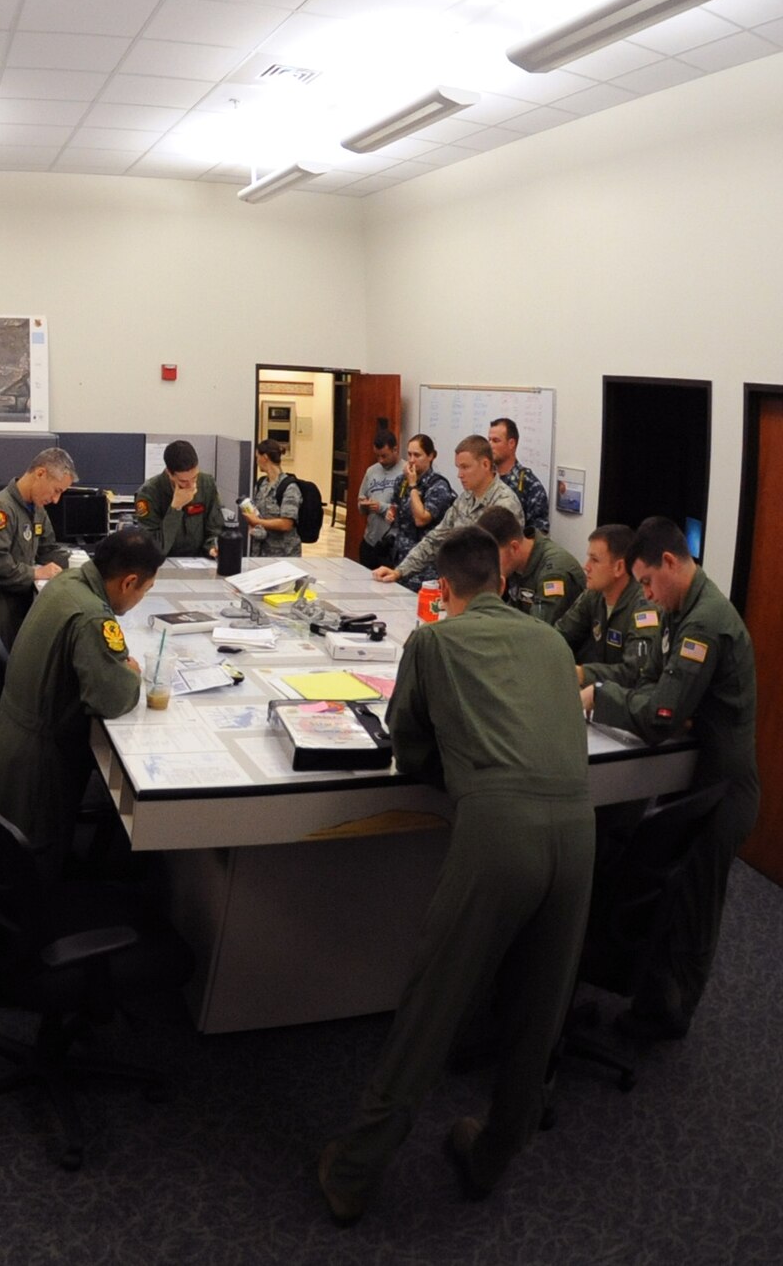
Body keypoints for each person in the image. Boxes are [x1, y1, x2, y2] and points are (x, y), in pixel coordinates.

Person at [320, 527, 593, 1225]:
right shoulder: (555, 643)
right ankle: (494, 1152)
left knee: (434, 1004)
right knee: (540, 1010)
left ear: (441, 592)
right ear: (503, 579)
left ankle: (352, 1172)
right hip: (578, 830)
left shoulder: (434, 643)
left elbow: (410, 750)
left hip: (498, 832)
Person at [584, 516, 759, 1041]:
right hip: (696, 776)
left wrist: (606, 700)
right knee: (670, 897)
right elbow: (657, 688)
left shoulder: (703, 621)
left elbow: (662, 714)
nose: (645, 594)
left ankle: (667, 1019)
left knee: (693, 910)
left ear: (669, 562)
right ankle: (653, 1001)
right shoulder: (683, 607)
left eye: (646, 582)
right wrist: (646, 700)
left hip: (723, 790)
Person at [0, 528, 161, 883]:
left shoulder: (67, 583)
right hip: (39, 764)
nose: (142, 598)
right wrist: (130, 674)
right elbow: (111, 699)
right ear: (128, 582)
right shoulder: (93, 616)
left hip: (11, 737)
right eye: (146, 589)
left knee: (13, 856)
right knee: (31, 870)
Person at [0, 447, 74, 667]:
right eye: (56, 490)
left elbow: (48, 549)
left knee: (11, 677)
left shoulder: (36, 509)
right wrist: (36, 572)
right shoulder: (0, 509)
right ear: (40, 473)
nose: (56, 499)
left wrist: (84, 565)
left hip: (16, 603)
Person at [375, 436, 521, 585]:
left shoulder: (504, 503)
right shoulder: (465, 498)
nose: (459, 474)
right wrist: (400, 571)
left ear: (485, 464)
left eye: (465, 467)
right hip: (459, 588)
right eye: (458, 467)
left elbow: (501, 560)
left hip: (486, 593)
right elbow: (436, 539)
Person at [554, 524, 662, 688]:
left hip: (628, 701)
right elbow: (561, 634)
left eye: (595, 560)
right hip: (600, 691)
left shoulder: (644, 608)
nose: (586, 566)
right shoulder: (594, 594)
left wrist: (584, 674)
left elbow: (636, 673)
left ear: (619, 567)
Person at [476, 505, 584, 627]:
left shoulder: (553, 574)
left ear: (514, 548)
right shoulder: (515, 564)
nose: (489, 563)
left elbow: (538, 631)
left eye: (493, 556)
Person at [386, 434, 456, 585]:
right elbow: (396, 506)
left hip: (425, 567)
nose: (411, 460)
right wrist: (391, 513)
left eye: (417, 455)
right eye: (409, 454)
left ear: (431, 456)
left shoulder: (438, 486)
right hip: (401, 558)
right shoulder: (401, 480)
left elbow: (421, 519)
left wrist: (413, 486)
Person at [135, 440, 223, 559]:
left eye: (194, 477)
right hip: (162, 563)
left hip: (200, 561)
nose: (191, 485)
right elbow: (154, 549)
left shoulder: (207, 484)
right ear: (169, 473)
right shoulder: (148, 493)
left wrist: (213, 546)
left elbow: (215, 529)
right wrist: (175, 508)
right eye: (183, 481)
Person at [241, 440, 303, 558]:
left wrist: (257, 522)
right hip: (261, 552)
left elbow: (286, 524)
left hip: (284, 554)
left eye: (257, 457)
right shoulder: (261, 484)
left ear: (265, 457)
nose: (257, 461)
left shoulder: (289, 487)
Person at [489, 418, 549, 535]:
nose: (490, 445)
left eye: (496, 441)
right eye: (489, 440)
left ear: (511, 443)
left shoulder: (530, 485)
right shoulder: (485, 478)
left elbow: (538, 535)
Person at [355, 428, 404, 571]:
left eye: (384, 456)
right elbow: (361, 499)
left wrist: (381, 507)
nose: (380, 460)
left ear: (395, 449)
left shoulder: (407, 471)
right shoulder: (371, 471)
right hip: (370, 541)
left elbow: (407, 510)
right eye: (377, 456)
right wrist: (363, 505)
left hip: (392, 545)